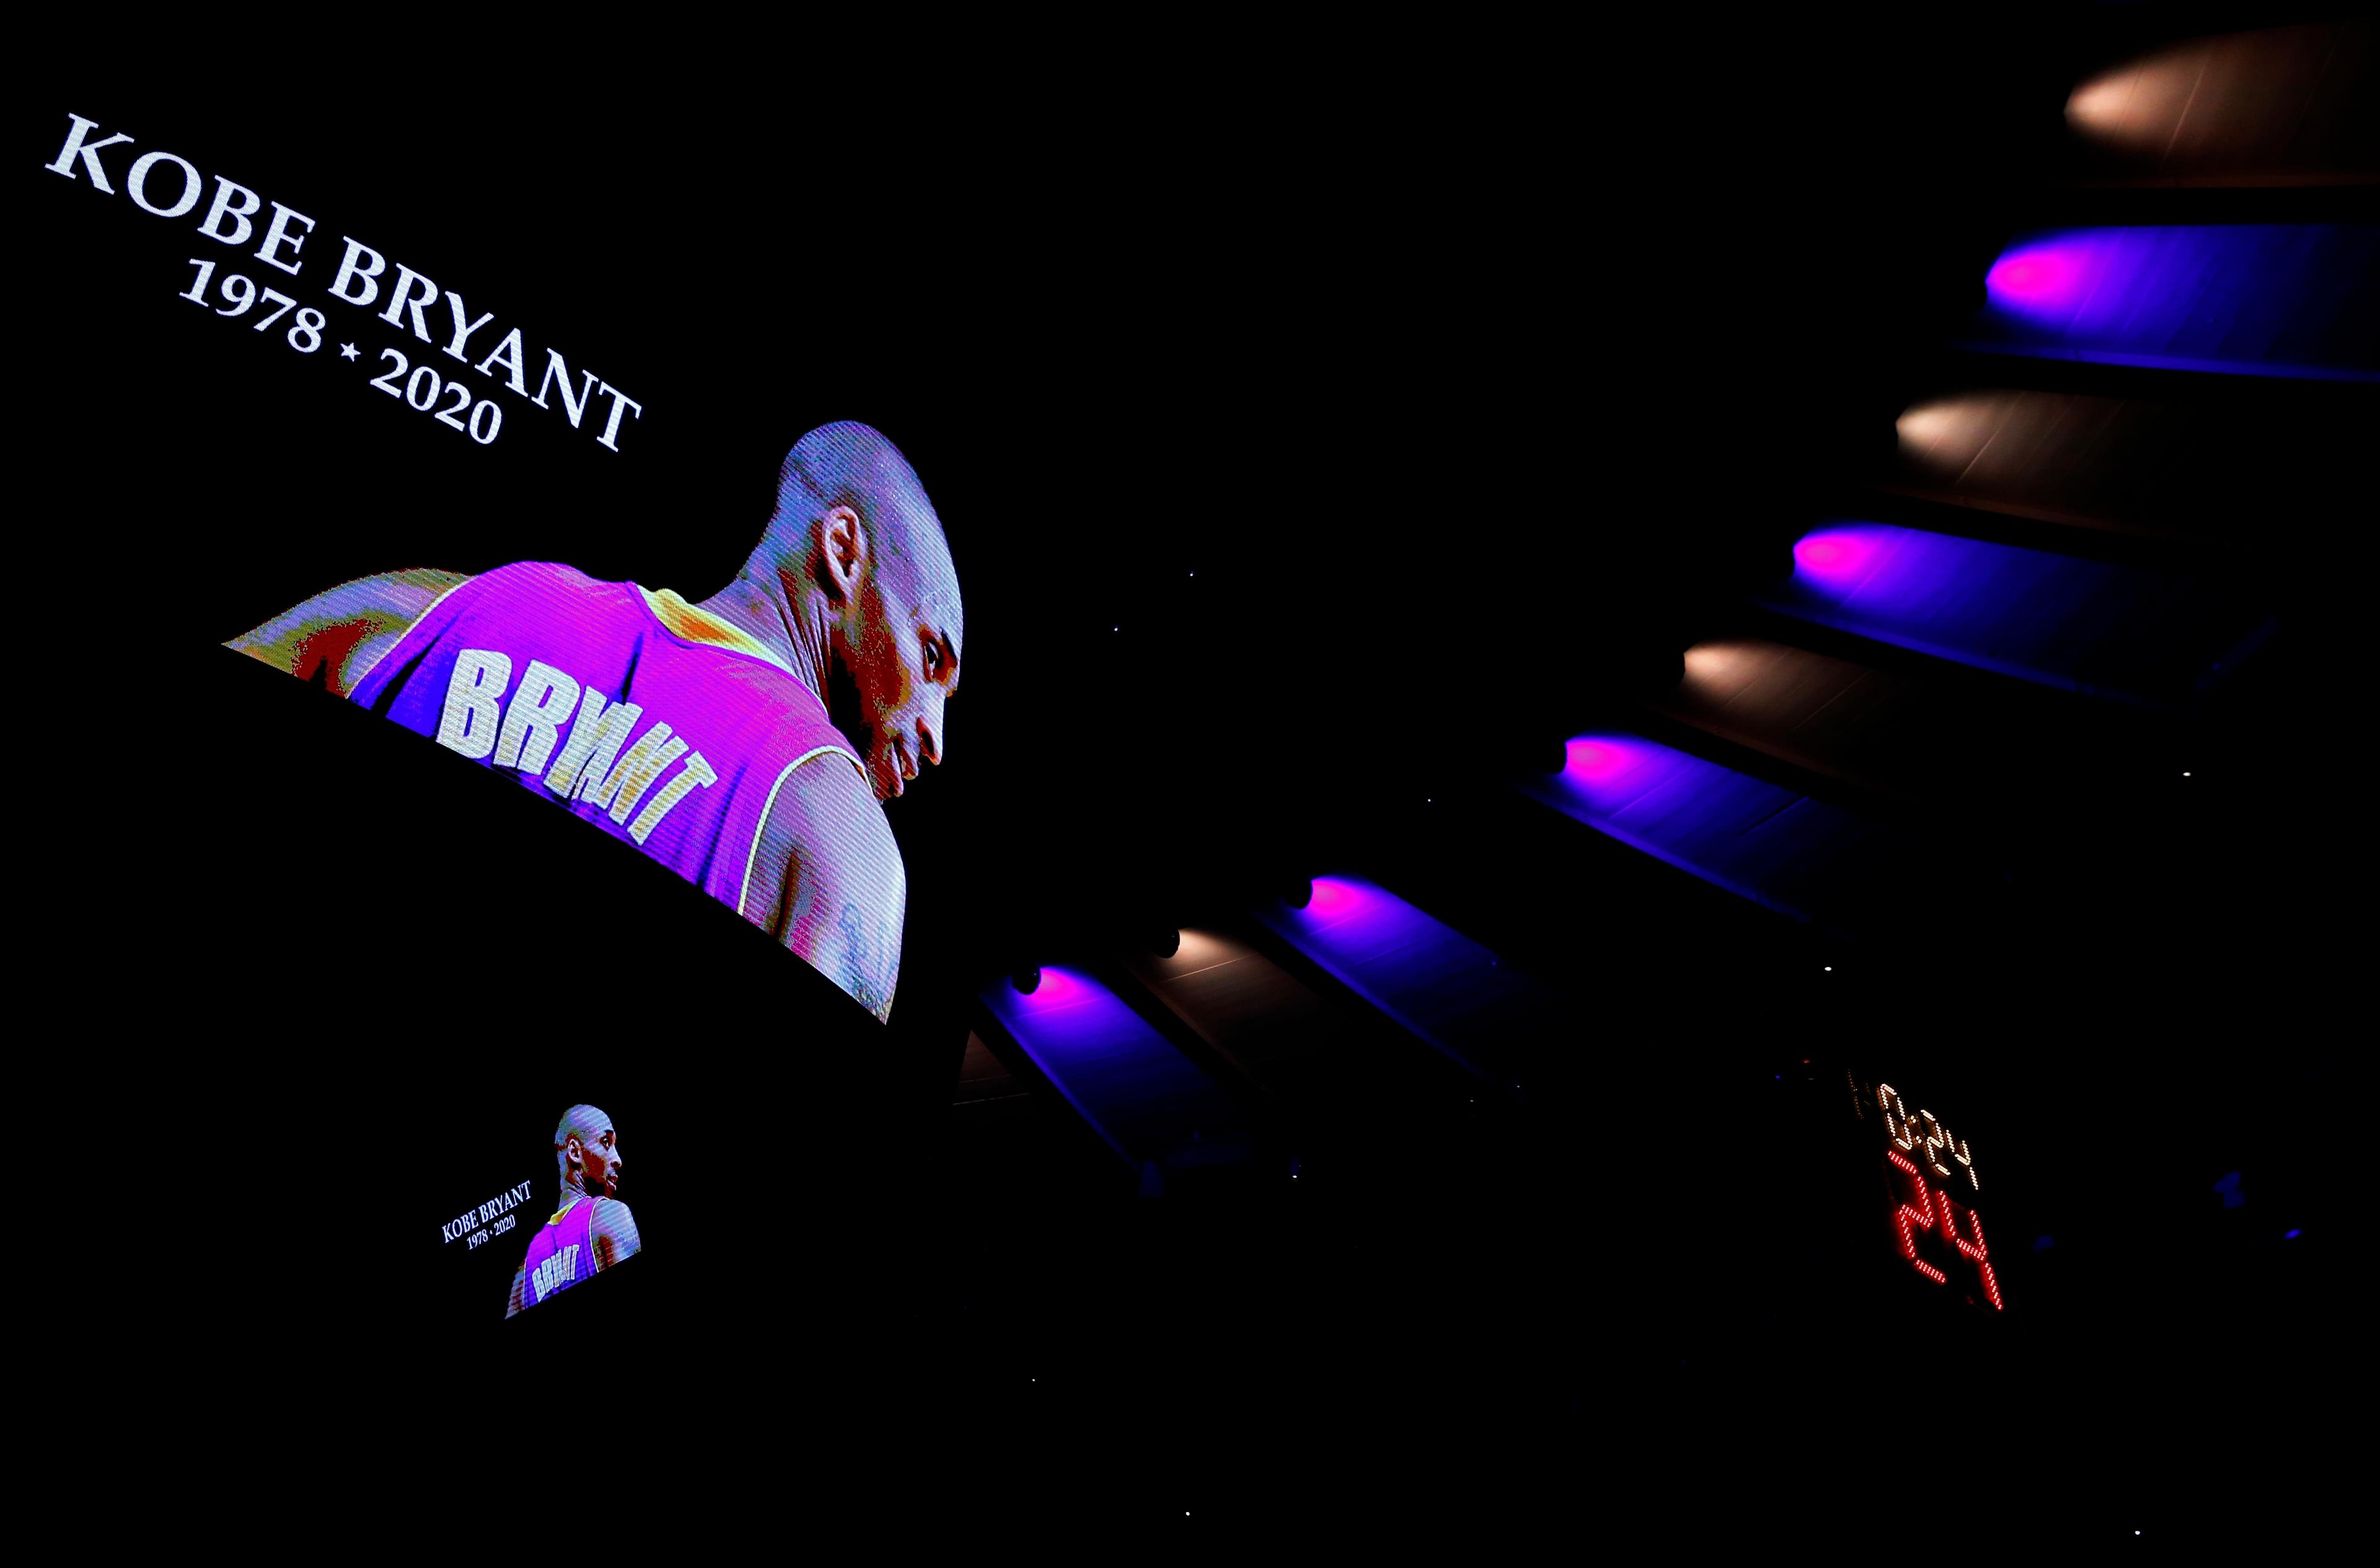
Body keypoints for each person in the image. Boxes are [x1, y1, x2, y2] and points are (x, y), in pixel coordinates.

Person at [226, 423, 962, 1021]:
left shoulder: (454, 605)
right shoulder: (842, 840)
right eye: (932, 658)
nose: (935, 736)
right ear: (841, 551)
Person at [508, 1104, 639, 1318]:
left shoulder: (525, 1273)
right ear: (575, 1152)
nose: (618, 1159)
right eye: (606, 1143)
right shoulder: (609, 1217)